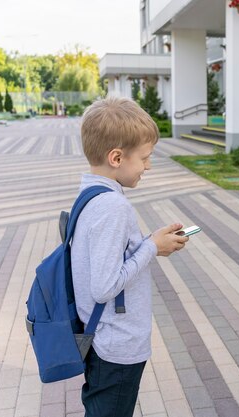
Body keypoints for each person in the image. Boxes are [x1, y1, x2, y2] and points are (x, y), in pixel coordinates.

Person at [72, 96, 188, 417]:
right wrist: (151, 248)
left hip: (99, 339)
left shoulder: (91, 194)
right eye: (145, 158)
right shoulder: (113, 207)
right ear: (116, 157)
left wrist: (151, 241)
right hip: (115, 344)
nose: (149, 166)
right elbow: (105, 286)